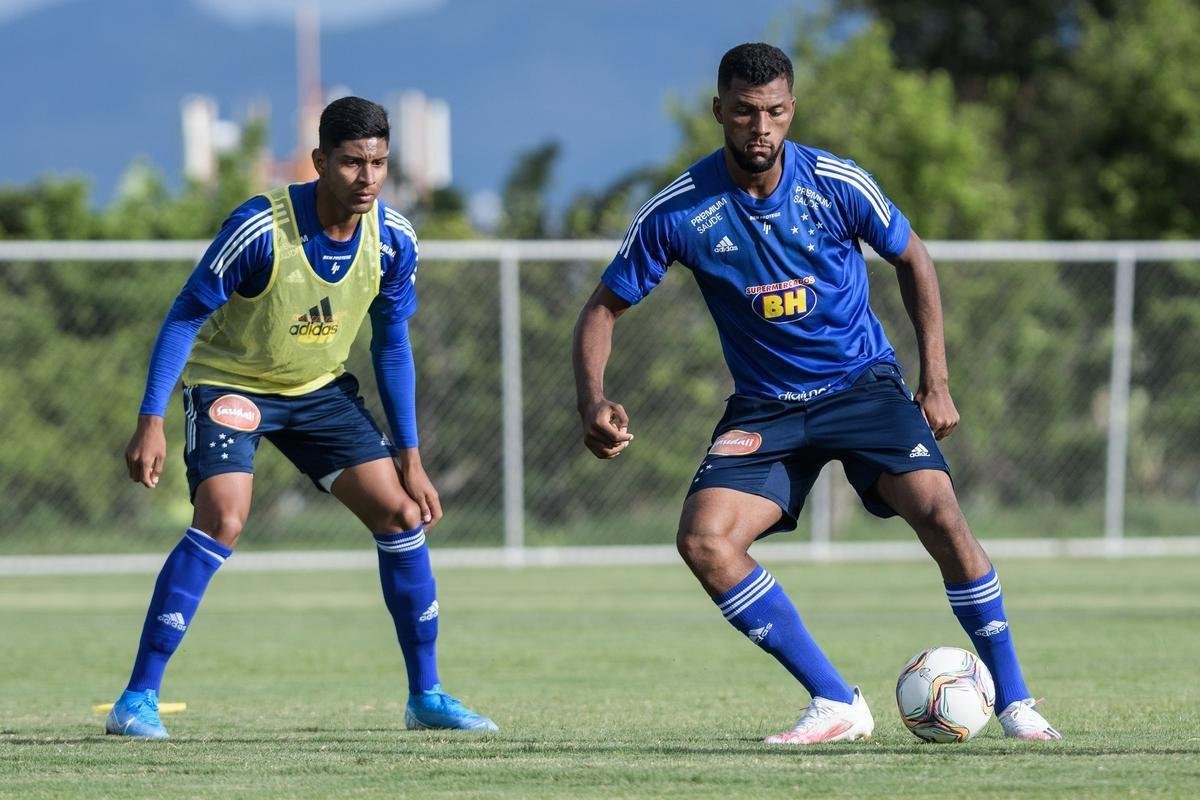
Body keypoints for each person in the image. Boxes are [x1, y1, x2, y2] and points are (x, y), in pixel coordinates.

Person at [572, 43, 1060, 744]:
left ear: (791, 110)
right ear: (720, 112)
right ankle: (835, 701)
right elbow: (601, 309)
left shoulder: (836, 183)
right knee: (705, 542)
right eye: (743, 112)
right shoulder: (679, 211)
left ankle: (1015, 701)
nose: (759, 128)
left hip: (862, 388)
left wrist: (937, 381)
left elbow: (912, 257)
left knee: (944, 517)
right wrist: (593, 401)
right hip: (767, 407)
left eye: (773, 112)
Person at [107, 96, 496, 739]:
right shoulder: (261, 228)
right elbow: (184, 315)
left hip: (317, 390)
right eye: (351, 163)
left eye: (378, 163)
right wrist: (151, 417)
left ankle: (427, 696)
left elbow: (391, 344)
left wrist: (411, 457)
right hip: (232, 383)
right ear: (319, 161)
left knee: (401, 514)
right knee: (224, 517)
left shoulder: (394, 238)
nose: (367, 177)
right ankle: (138, 698)